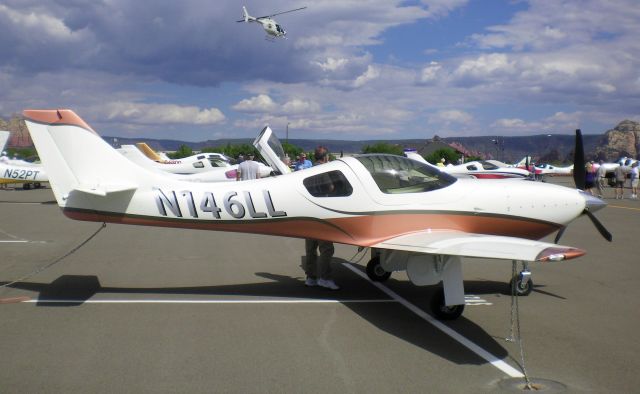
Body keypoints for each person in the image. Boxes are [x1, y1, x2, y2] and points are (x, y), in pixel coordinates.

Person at [303, 146, 339, 290]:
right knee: (326, 249)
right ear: (325, 158)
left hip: (308, 213)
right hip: (321, 212)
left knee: (310, 248)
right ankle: (324, 277)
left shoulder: (308, 170)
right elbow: (330, 188)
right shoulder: (323, 170)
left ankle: (310, 277)